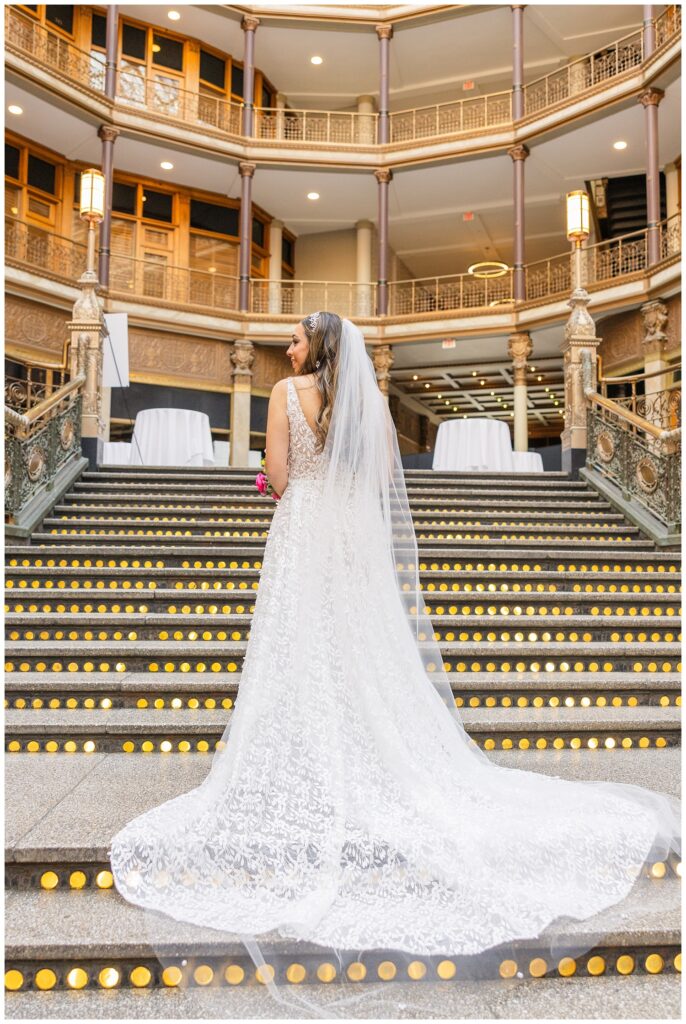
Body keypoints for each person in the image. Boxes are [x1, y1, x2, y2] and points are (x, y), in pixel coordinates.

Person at [109, 312, 680, 1017]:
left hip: (302, 534)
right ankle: (356, 747)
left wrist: (273, 483)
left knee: (300, 646)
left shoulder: (288, 394)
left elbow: (280, 475)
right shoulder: (371, 401)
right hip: (351, 536)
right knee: (360, 653)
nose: (286, 348)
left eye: (293, 339)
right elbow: (381, 476)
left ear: (314, 347)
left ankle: (305, 759)